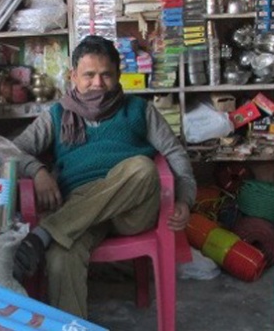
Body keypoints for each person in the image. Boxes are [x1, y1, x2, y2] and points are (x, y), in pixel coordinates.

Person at [12, 35, 197, 318]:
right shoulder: (57, 115)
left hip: (132, 211)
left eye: (106, 75)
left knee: (142, 168)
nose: (98, 83)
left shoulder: (139, 110)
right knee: (61, 259)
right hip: (81, 214)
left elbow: (175, 155)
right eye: (89, 75)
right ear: (73, 76)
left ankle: (46, 232)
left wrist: (185, 198)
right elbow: (12, 151)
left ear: (118, 75)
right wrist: (36, 171)